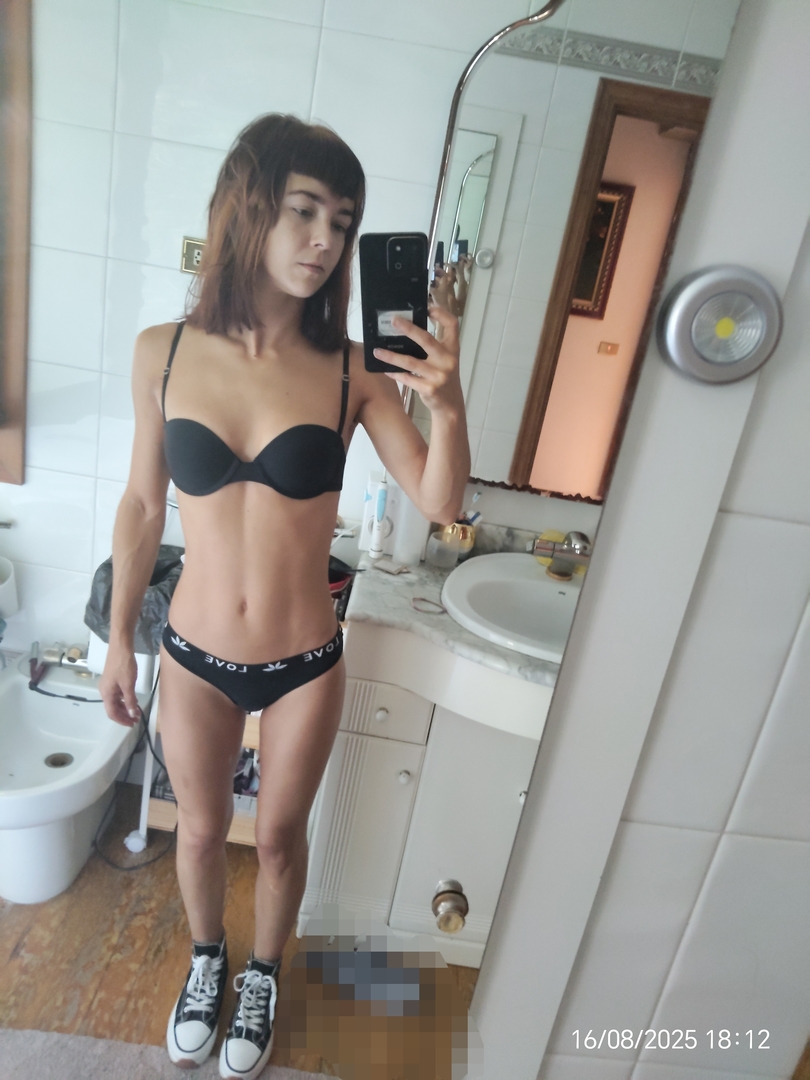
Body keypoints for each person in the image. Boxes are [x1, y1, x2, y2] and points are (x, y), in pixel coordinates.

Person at [99, 113, 470, 1080]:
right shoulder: (162, 352)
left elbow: (440, 501)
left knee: (275, 839)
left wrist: (449, 402)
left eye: (342, 223)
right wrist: (116, 641)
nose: (324, 241)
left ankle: (262, 974)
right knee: (200, 832)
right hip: (192, 655)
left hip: (304, 659)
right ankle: (207, 963)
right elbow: (142, 504)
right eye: (305, 211)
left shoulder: (355, 370)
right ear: (249, 209)